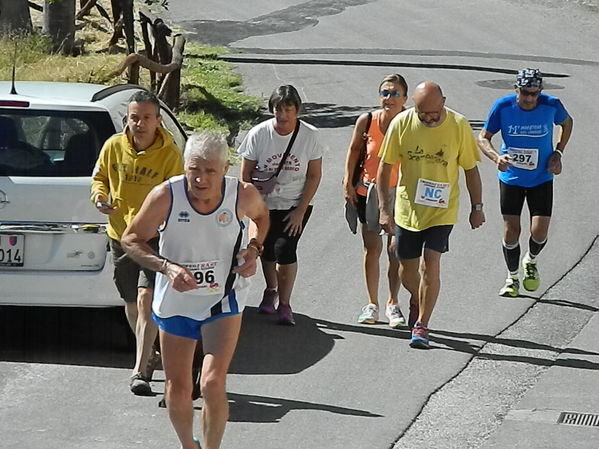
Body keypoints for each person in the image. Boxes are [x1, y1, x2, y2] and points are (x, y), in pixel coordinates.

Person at [121, 131, 269, 449]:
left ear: (225, 168)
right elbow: (131, 239)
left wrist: (254, 248)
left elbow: (261, 217)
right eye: (194, 169)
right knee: (178, 387)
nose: (200, 179)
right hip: (177, 301)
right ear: (185, 166)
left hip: (223, 296)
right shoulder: (166, 196)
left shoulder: (241, 194)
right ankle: (189, 445)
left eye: (209, 171)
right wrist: (166, 267)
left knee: (213, 382)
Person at [377, 82, 485, 349]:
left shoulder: (459, 125)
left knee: (431, 264)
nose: (428, 118)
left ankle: (422, 324)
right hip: (407, 208)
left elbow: (471, 169)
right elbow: (385, 167)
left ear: (443, 102)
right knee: (407, 270)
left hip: (442, 210)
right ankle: (416, 298)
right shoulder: (402, 123)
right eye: (422, 113)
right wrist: (383, 209)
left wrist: (477, 207)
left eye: (433, 114)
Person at [90, 90, 184, 395]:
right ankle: (150, 351)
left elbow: (176, 194)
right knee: (131, 303)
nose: (140, 124)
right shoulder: (113, 146)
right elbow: (100, 178)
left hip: (154, 239)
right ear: (126, 119)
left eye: (146, 118)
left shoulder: (170, 154)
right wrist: (100, 198)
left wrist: (162, 221)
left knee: (145, 301)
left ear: (158, 120)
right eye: (134, 118)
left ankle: (140, 370)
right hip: (120, 236)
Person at [477, 68, 573, 297]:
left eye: (534, 93)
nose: (530, 98)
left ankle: (530, 260)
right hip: (511, 177)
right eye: (525, 93)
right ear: (516, 90)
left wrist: (558, 152)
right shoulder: (503, 106)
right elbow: (483, 137)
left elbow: (567, 123)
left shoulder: (551, 105)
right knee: (512, 230)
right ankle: (512, 278)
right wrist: (496, 157)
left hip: (541, 177)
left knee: (539, 233)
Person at [238, 84, 324, 326]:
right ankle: (271, 290)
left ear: (297, 110)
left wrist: (300, 210)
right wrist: (252, 207)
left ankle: (285, 304)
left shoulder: (310, 136)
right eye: (278, 109)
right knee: (265, 250)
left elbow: (314, 175)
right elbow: (245, 175)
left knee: (285, 250)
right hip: (264, 203)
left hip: (294, 203)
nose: (283, 115)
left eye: (288, 109)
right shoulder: (258, 134)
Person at [342, 74, 409, 328]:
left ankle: (393, 303)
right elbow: (354, 151)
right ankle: (372, 304)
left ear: (404, 98)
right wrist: (347, 182)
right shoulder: (367, 120)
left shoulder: (409, 122)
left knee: (396, 251)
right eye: (385, 93)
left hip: (400, 192)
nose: (388, 98)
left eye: (394, 93)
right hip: (368, 192)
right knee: (372, 249)